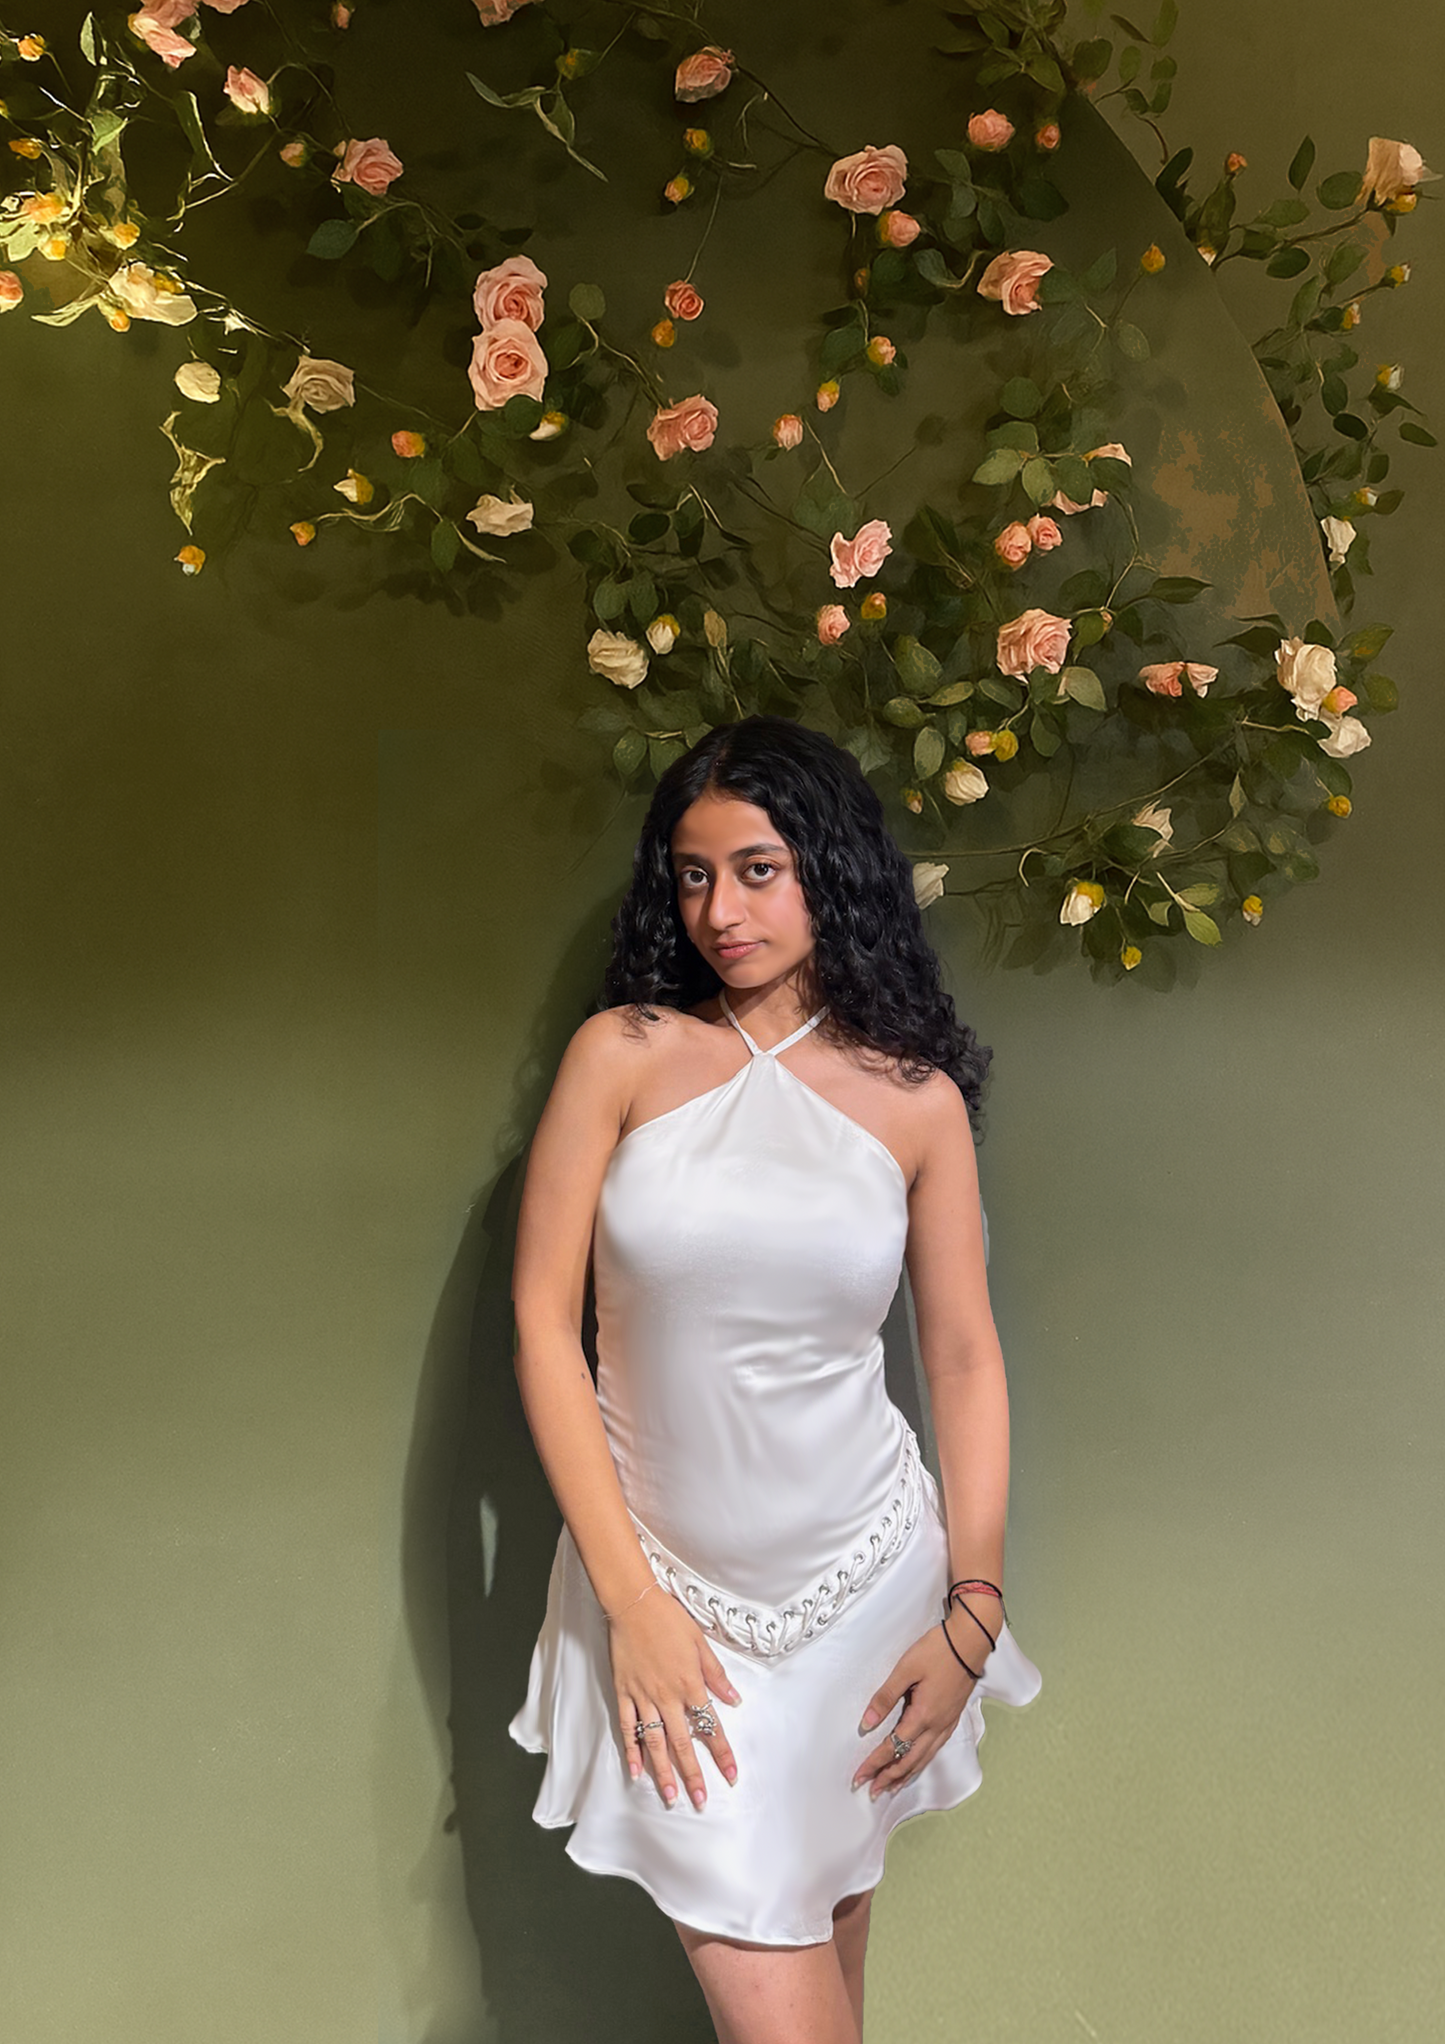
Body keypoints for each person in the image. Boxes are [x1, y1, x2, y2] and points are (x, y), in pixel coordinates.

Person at [508, 714, 1040, 2044]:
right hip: (666, 1610)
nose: (719, 909)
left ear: (831, 868)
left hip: (869, 1594)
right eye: (692, 875)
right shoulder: (619, 1056)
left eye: (756, 868)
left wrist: (971, 1609)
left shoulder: (913, 1098)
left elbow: (965, 1357)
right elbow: (539, 1324)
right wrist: (631, 1607)